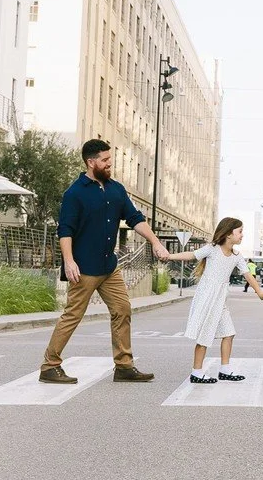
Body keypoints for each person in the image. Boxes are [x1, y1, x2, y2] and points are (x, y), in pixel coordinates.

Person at [37, 138, 170, 385]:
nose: (110, 163)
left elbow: (134, 218)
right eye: (105, 160)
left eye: (110, 159)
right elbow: (65, 230)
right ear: (91, 162)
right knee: (73, 315)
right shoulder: (75, 193)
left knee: (122, 309)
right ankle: (50, 366)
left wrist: (155, 241)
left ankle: (124, 366)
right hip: (84, 268)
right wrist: (69, 261)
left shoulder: (116, 189)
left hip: (109, 267)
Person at [167, 218, 263, 383]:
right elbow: (192, 255)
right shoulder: (212, 249)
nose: (242, 235)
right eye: (240, 232)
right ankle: (196, 372)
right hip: (207, 298)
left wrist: (260, 292)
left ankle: (225, 370)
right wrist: (169, 256)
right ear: (229, 234)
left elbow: (247, 275)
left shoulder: (237, 256)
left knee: (229, 333)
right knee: (205, 336)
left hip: (220, 300)